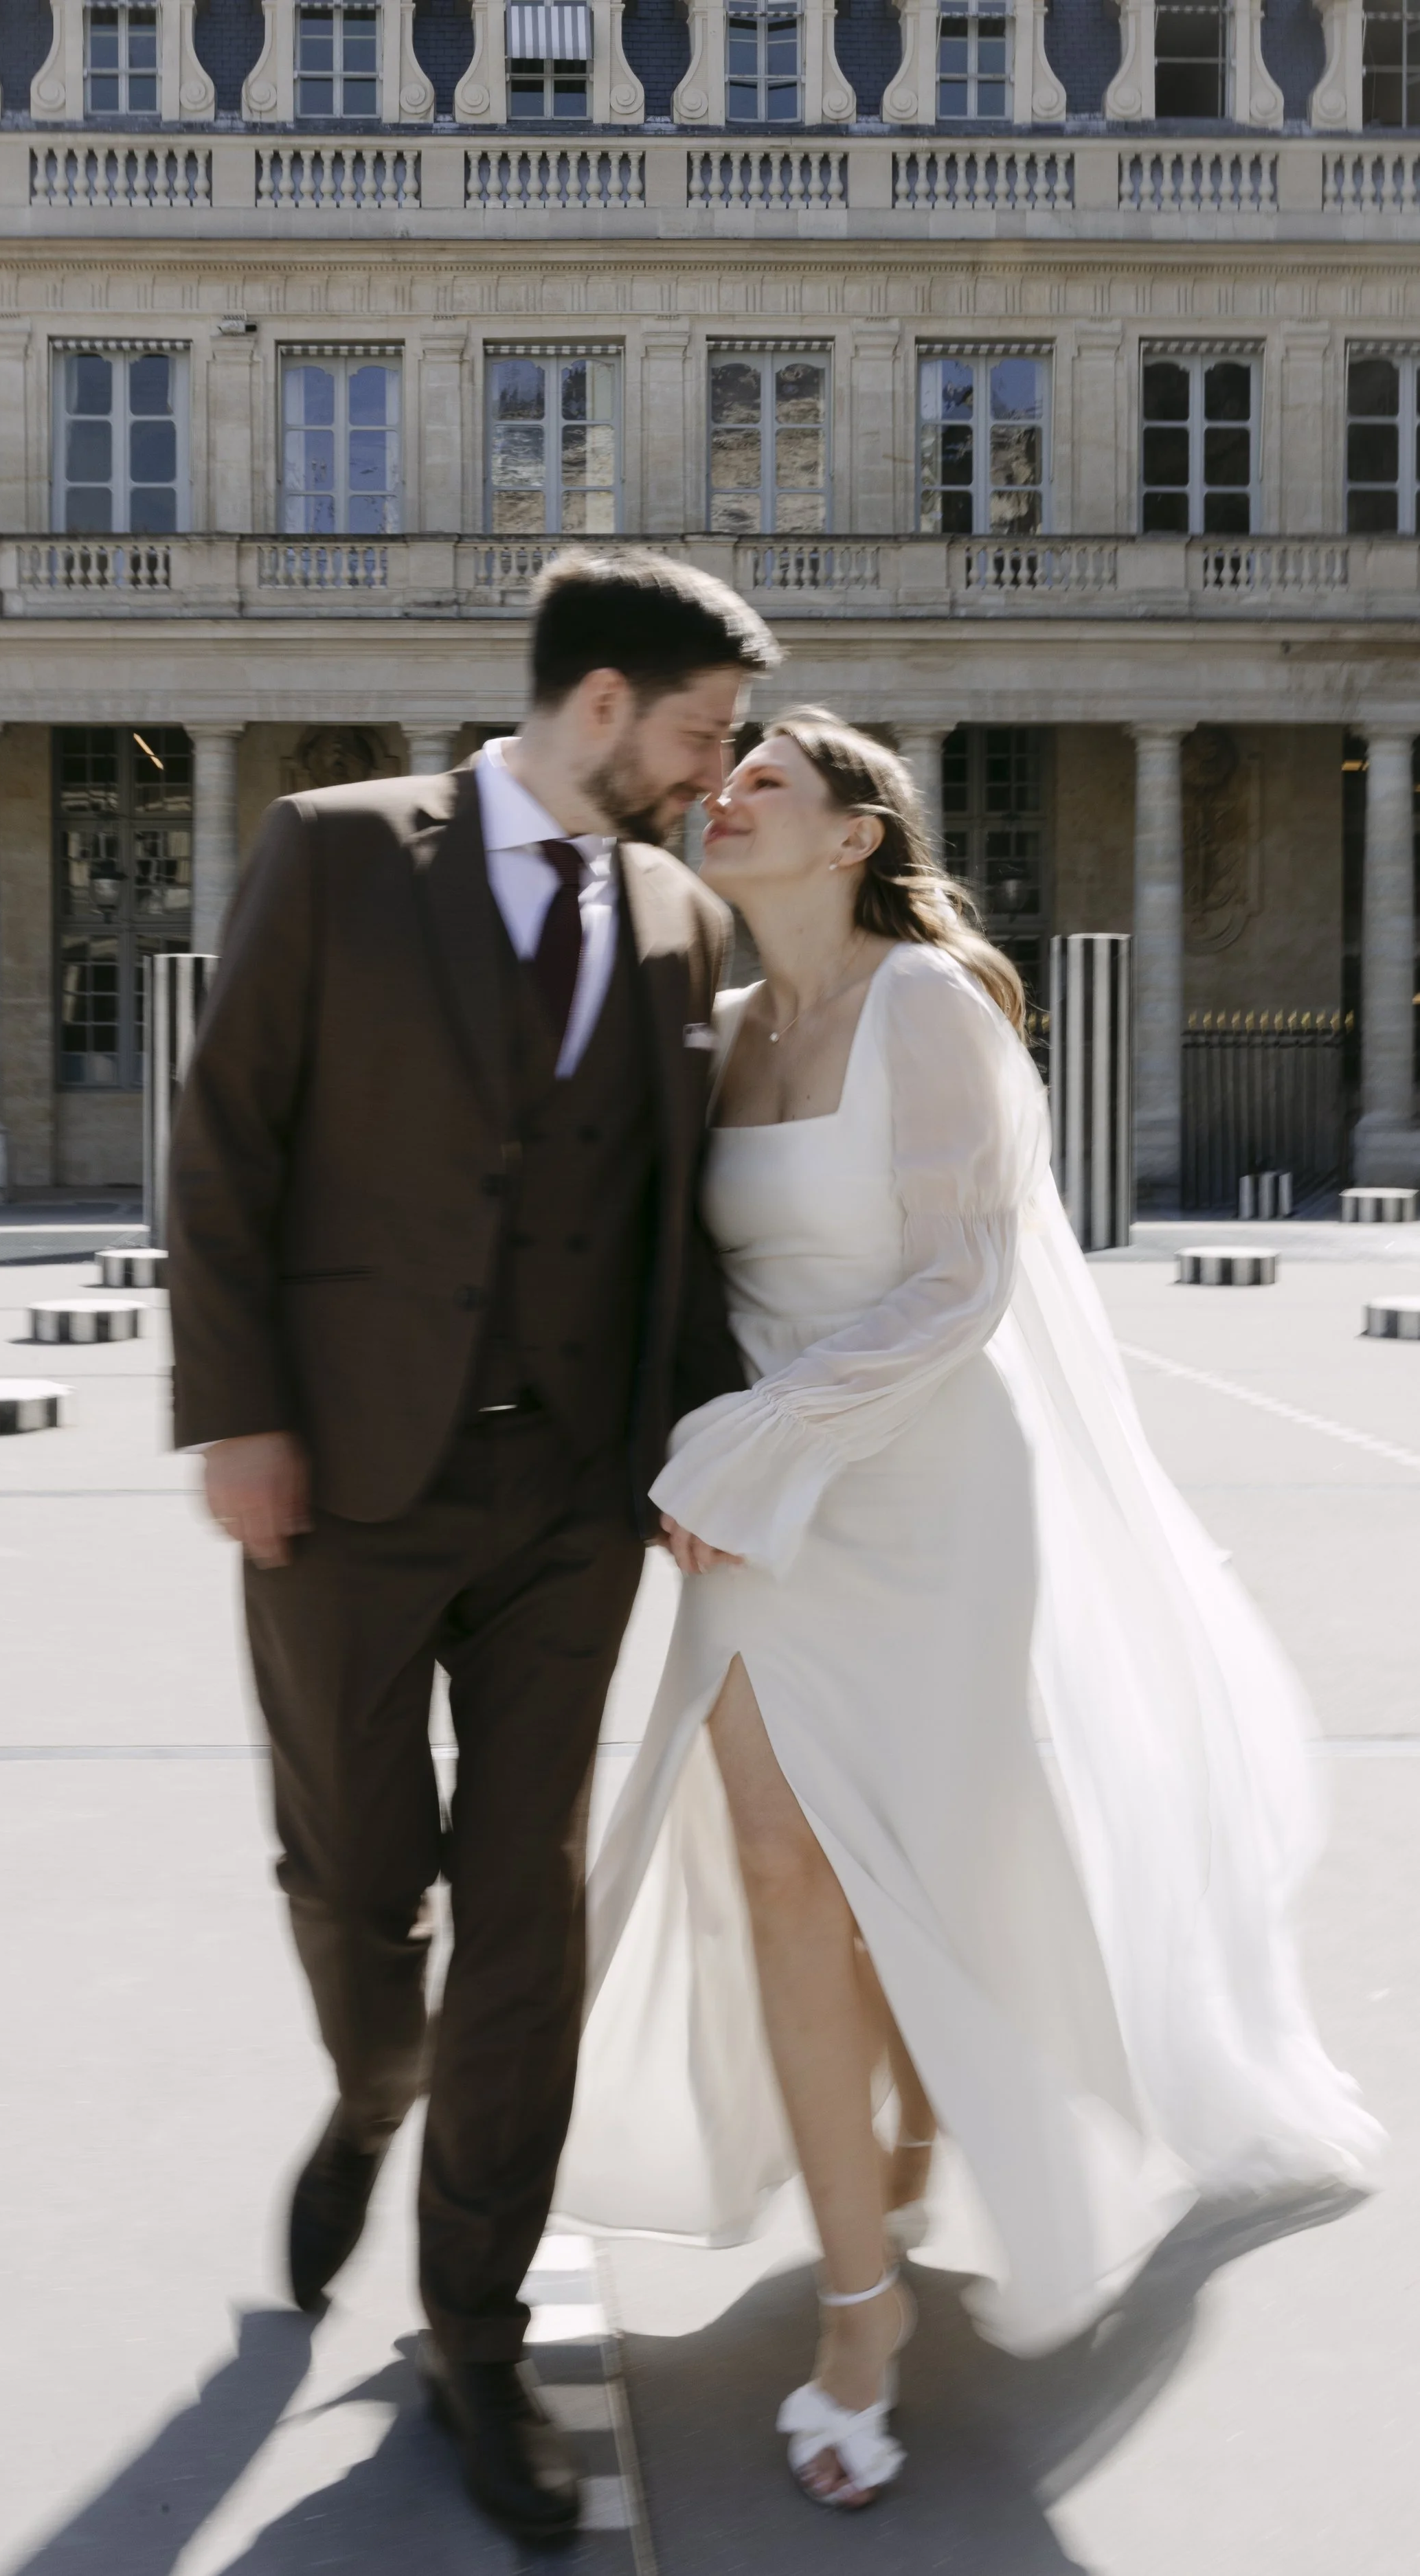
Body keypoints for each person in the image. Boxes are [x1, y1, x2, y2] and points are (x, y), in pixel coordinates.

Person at [557, 712, 1383, 2511]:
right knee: (777, 1862)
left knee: (911, 1864)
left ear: (856, 835)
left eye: (764, 780)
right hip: (763, 1495)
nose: (725, 793)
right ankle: (858, 2298)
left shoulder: (927, 1004)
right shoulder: (721, 1029)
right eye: (725, 780)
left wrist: (759, 1436)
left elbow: (963, 1280)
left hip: (922, 1480)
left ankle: (921, 2131)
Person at [164, 552, 779, 2545]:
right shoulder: (339, 852)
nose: (714, 776)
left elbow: (671, 1217)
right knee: (360, 1869)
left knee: (528, 1902)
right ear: (600, 703)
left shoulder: (680, 918)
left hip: (569, 1503)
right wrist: (234, 1413)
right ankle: (369, 2083)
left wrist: (697, 1459)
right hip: (334, 1478)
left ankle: (472, 2333)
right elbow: (225, 1138)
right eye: (699, 734)